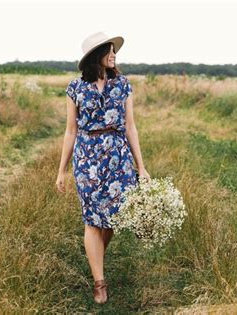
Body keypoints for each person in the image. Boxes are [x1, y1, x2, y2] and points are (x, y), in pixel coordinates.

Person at [55, 31, 150, 304]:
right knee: (92, 219)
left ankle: (96, 256)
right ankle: (99, 282)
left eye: (114, 50)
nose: (114, 54)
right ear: (95, 55)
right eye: (109, 50)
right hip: (87, 158)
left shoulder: (123, 85)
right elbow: (70, 131)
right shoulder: (75, 88)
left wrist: (140, 166)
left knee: (114, 218)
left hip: (118, 158)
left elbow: (131, 127)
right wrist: (61, 170)